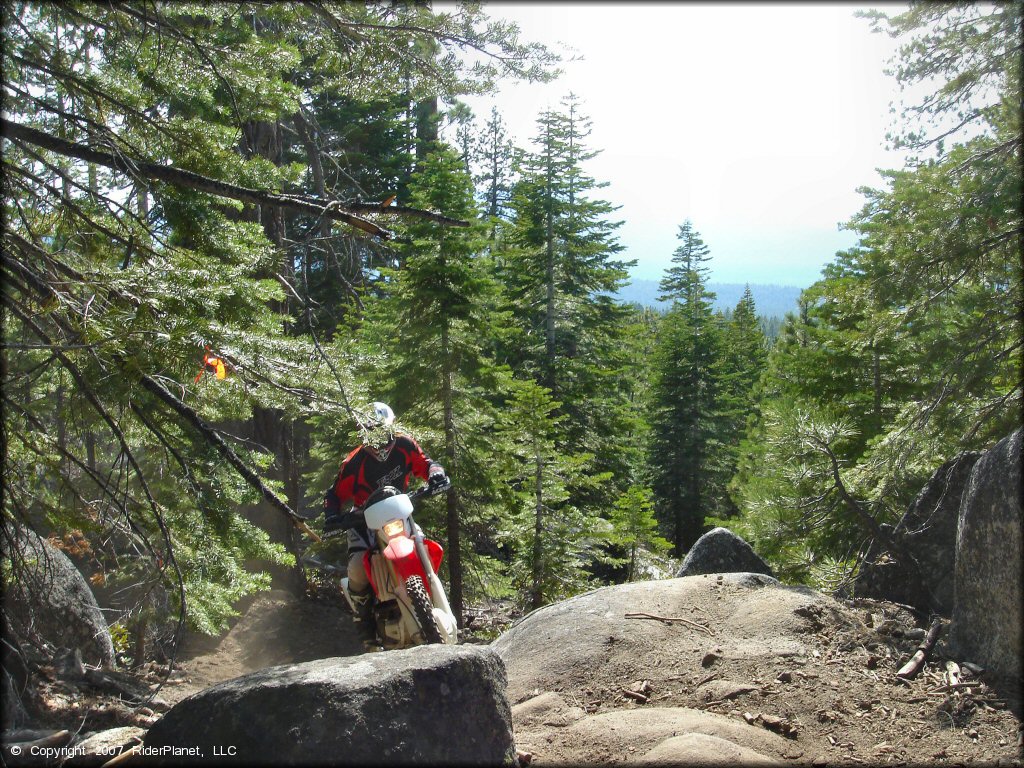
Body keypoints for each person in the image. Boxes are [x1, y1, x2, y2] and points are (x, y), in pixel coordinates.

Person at [322, 402, 447, 650]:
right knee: (357, 567)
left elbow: (426, 462)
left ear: (390, 426)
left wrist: (436, 474)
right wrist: (332, 517)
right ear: (364, 433)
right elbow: (334, 494)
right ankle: (365, 624)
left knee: (424, 543)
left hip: (399, 512)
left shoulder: (404, 445)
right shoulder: (354, 463)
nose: (379, 439)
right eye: (372, 432)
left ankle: (433, 596)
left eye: (381, 431)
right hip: (363, 521)